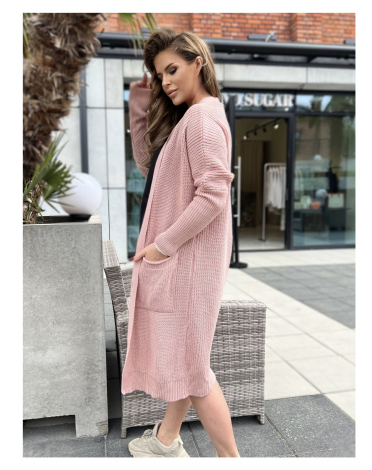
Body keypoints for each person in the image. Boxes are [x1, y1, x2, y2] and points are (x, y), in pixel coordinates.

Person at [123, 28, 240, 458]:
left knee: (193, 368)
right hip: (185, 263)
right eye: (160, 75)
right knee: (187, 360)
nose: (166, 81)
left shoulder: (203, 119)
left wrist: (163, 246)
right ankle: (166, 440)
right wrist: (140, 105)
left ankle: (231, 459)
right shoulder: (190, 118)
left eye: (173, 69)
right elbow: (148, 167)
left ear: (198, 63)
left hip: (188, 264)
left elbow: (213, 194)